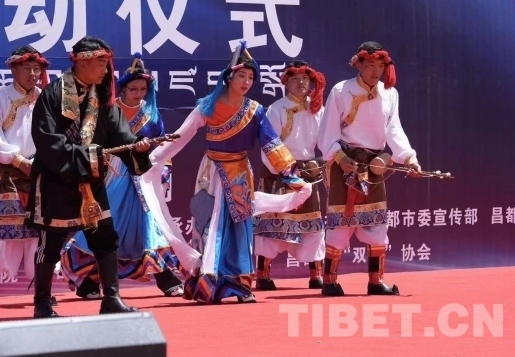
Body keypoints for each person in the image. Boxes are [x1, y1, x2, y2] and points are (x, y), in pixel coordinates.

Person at [139, 42, 313, 304]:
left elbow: (272, 145)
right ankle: (207, 285)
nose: (246, 82)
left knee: (240, 227)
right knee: (210, 225)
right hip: (211, 172)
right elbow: (181, 136)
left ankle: (240, 286)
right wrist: (153, 158)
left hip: (240, 173)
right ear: (229, 77)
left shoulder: (255, 110)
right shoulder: (209, 106)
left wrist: (293, 177)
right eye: (241, 76)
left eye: (251, 77)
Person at [26, 36, 155, 318]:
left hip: (91, 180)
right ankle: (42, 302)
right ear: (82, 63)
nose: (106, 70)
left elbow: (120, 135)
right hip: (57, 179)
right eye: (101, 63)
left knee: (106, 238)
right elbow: (48, 141)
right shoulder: (54, 94)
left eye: (107, 64)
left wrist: (137, 147)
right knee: (51, 242)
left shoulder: (102, 98)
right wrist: (88, 158)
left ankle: (111, 298)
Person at [61, 54, 183, 300]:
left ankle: (165, 277)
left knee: (148, 225)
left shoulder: (151, 115)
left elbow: (162, 152)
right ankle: (87, 280)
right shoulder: (108, 109)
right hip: (112, 173)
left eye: (143, 89)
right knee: (105, 226)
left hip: (142, 175)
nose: (138, 94)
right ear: (123, 88)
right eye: (133, 89)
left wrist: (162, 174)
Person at [317, 41, 421, 296]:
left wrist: (409, 158)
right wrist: (339, 157)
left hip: (374, 165)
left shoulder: (390, 93)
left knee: (376, 223)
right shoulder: (341, 90)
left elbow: (394, 129)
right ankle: (329, 281)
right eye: (371, 65)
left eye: (381, 66)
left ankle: (376, 281)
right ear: (358, 64)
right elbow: (327, 131)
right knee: (341, 222)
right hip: (345, 162)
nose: (376, 71)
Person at [0, 46, 57, 309]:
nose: (33, 74)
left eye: (37, 69)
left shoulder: (45, 98)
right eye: (27, 68)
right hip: (9, 173)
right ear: (13, 69)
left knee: (39, 234)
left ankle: (42, 290)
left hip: (39, 172)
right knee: (1, 233)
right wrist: (18, 161)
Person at [254, 61, 327, 290]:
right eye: (295, 79)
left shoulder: (318, 109)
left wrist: (322, 163)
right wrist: (285, 171)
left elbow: (326, 141)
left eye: (305, 78)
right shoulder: (276, 109)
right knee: (271, 226)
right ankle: (263, 274)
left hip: (308, 171)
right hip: (279, 169)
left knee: (312, 225)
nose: (301, 83)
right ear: (286, 83)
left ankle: (316, 274)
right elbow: (268, 145)